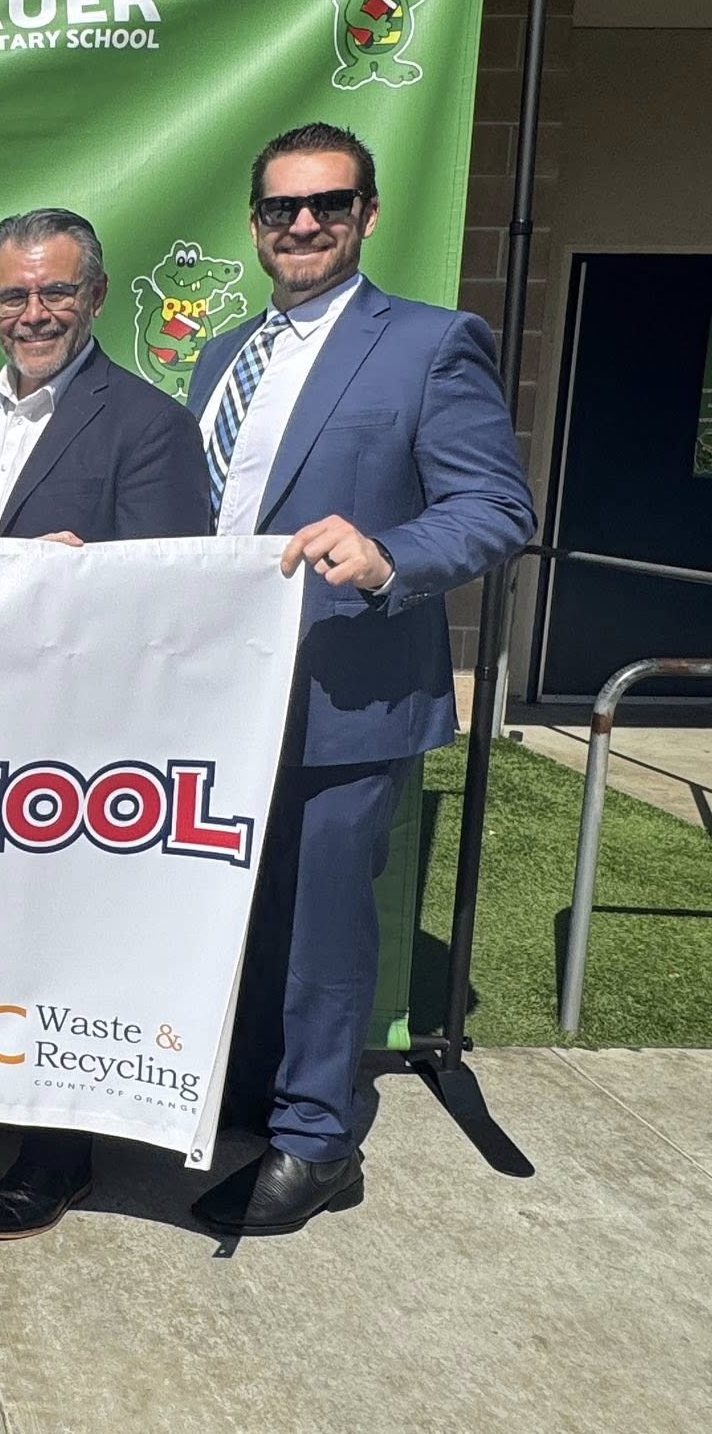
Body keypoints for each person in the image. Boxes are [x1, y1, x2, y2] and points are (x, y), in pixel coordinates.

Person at [186, 123, 534, 1235]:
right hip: (222, 693)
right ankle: (250, 1091)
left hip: (350, 689)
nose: (302, 225)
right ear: (252, 225)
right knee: (238, 911)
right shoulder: (219, 354)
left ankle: (316, 1140)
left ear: (366, 215)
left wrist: (390, 557)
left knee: (325, 921)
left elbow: (494, 511)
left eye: (326, 205)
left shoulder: (429, 344)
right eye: (281, 208)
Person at [0, 208, 211, 1241]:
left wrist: (74, 580)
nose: (32, 312)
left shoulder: (147, 423)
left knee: (54, 941)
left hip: (76, 735)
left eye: (54, 292)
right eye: (13, 294)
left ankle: (56, 1155)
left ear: (93, 296)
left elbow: (168, 598)